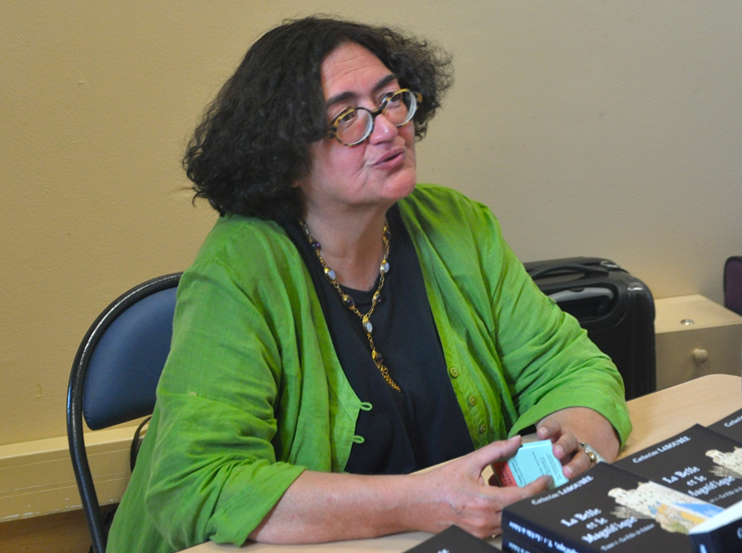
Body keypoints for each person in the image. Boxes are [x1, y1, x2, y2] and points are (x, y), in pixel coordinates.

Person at [106, 16, 631, 553]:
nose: (386, 128)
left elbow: (570, 366)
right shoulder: (238, 268)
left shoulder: (458, 225)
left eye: (390, 99)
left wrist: (576, 442)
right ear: (285, 156)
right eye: (347, 118)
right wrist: (415, 500)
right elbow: (200, 485)